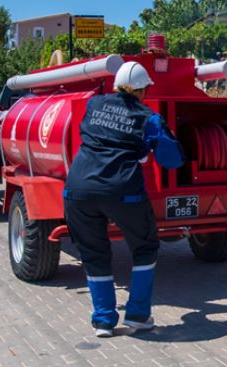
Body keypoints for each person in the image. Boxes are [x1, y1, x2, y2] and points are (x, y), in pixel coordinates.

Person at [63, 62, 184, 338]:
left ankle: (104, 321)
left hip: (78, 189)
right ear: (142, 91)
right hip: (122, 190)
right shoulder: (147, 116)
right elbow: (171, 159)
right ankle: (139, 316)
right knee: (144, 247)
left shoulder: (94, 105)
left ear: (116, 85)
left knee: (94, 254)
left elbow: (91, 135)